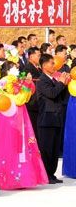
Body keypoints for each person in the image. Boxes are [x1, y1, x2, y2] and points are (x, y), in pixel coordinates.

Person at [0, 61, 48, 189]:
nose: (17, 70)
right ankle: (11, 178)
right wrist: (25, 86)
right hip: (9, 116)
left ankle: (20, 177)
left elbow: (24, 98)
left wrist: (27, 85)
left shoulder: (16, 81)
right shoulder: (3, 82)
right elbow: (19, 99)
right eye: (14, 68)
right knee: (11, 143)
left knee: (19, 144)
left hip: (18, 115)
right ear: (7, 70)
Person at [35, 54, 69, 183]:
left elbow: (62, 96)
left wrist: (65, 84)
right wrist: (61, 83)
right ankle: (46, 174)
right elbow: (52, 93)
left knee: (54, 149)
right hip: (46, 119)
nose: (54, 65)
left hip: (57, 118)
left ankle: (52, 174)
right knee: (47, 149)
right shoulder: (41, 80)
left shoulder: (54, 80)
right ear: (44, 65)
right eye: (51, 63)